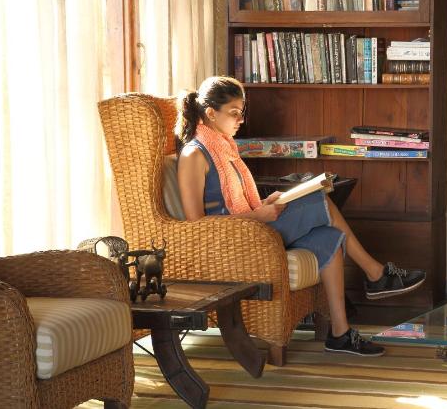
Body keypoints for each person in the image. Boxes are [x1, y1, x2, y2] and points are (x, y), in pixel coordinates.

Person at [175, 76, 425, 357]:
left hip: (252, 227)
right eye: (234, 113)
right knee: (321, 201)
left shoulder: (224, 148)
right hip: (236, 241)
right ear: (211, 113)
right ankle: (376, 274)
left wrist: (265, 204)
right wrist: (258, 216)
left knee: (329, 237)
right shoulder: (194, 155)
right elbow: (195, 225)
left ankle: (340, 333)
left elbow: (239, 205)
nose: (241, 120)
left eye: (241, 112)